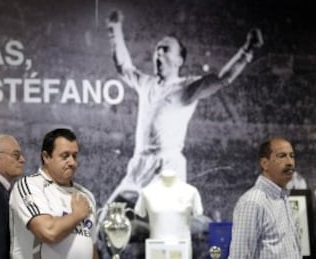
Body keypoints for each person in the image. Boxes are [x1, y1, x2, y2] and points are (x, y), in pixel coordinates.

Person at [101, 9, 263, 223]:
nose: (158, 52)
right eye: (157, 49)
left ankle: (205, 229)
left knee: (164, 232)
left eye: (165, 49)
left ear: (179, 60)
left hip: (166, 168)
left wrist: (247, 50)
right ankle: (199, 225)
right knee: (107, 223)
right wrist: (115, 30)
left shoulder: (186, 87)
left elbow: (222, 78)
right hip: (139, 164)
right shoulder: (145, 83)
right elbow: (123, 66)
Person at [9, 128, 99, 259]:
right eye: (65, 156)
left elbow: (92, 249)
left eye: (74, 156)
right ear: (46, 157)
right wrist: (77, 215)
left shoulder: (86, 196)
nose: (72, 162)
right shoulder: (30, 185)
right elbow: (48, 232)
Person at [228, 137, 302, 259]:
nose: (290, 162)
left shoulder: (282, 197)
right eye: (282, 156)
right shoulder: (253, 202)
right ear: (264, 163)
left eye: (292, 156)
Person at [135, 169, 204, 259]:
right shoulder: (147, 192)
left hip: (181, 251)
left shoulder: (191, 191)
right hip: (156, 251)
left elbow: (198, 213)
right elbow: (140, 212)